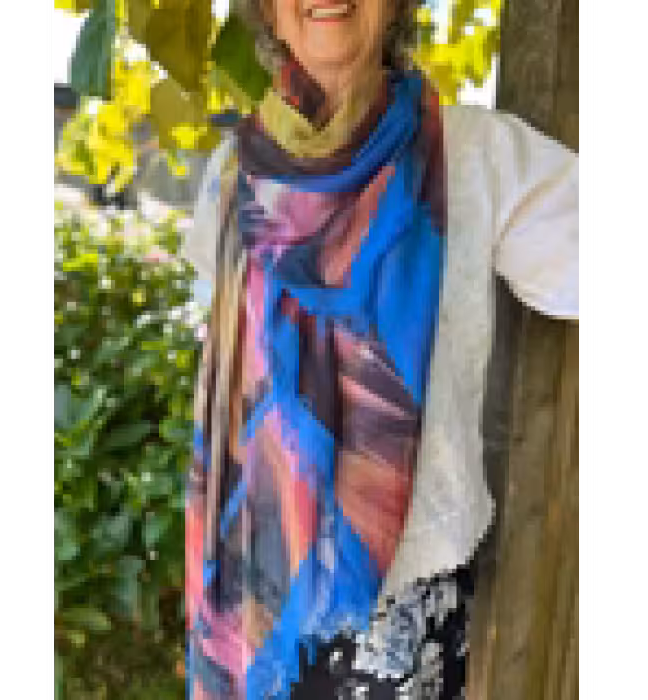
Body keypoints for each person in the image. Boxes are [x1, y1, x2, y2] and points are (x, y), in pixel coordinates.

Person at [182, 1, 579, 698]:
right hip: (252, 603)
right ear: (268, 12)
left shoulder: (471, 154)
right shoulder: (232, 173)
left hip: (403, 620)